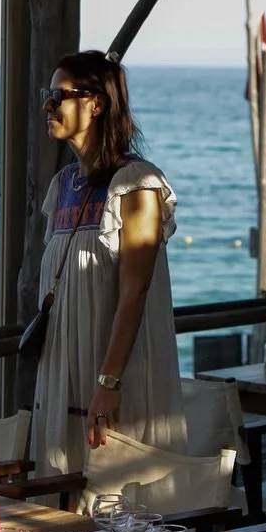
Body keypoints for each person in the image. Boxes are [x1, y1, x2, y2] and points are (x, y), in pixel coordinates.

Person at [30, 50, 186, 478]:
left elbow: (135, 291)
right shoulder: (63, 185)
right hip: (64, 366)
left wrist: (108, 385)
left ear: (95, 104)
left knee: (112, 500)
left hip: (112, 375)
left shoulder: (136, 183)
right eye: (48, 94)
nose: (48, 105)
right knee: (59, 494)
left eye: (58, 95)